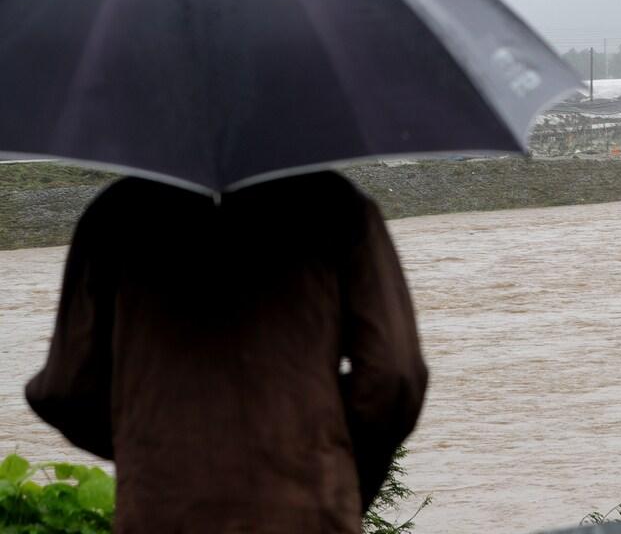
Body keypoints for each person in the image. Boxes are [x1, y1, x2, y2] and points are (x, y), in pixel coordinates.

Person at [26, 172, 429, 533]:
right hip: (306, 510)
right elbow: (395, 376)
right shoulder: (334, 205)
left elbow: (65, 389)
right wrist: (329, 463)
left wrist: (155, 449)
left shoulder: (118, 214)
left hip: (161, 512)